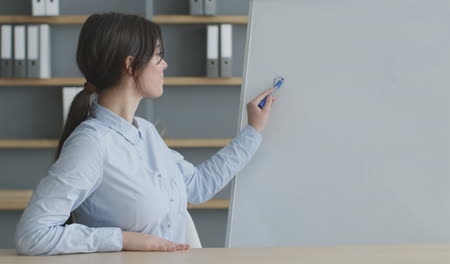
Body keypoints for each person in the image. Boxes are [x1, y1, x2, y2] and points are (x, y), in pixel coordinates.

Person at [15, 12, 276, 256]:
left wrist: (252, 131)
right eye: (158, 56)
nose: (165, 64)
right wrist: (122, 239)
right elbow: (33, 235)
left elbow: (198, 186)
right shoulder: (91, 143)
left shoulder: (146, 133)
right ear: (131, 65)